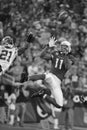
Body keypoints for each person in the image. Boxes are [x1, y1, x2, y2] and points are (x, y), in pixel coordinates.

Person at [26, 37, 76, 109]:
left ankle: (42, 95)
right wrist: (47, 47)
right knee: (47, 76)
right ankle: (28, 77)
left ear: (68, 48)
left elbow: (67, 66)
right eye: (62, 47)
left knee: (59, 105)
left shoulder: (71, 57)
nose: (63, 48)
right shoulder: (55, 54)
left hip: (57, 81)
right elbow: (41, 55)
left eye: (65, 47)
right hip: (52, 75)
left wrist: (65, 56)